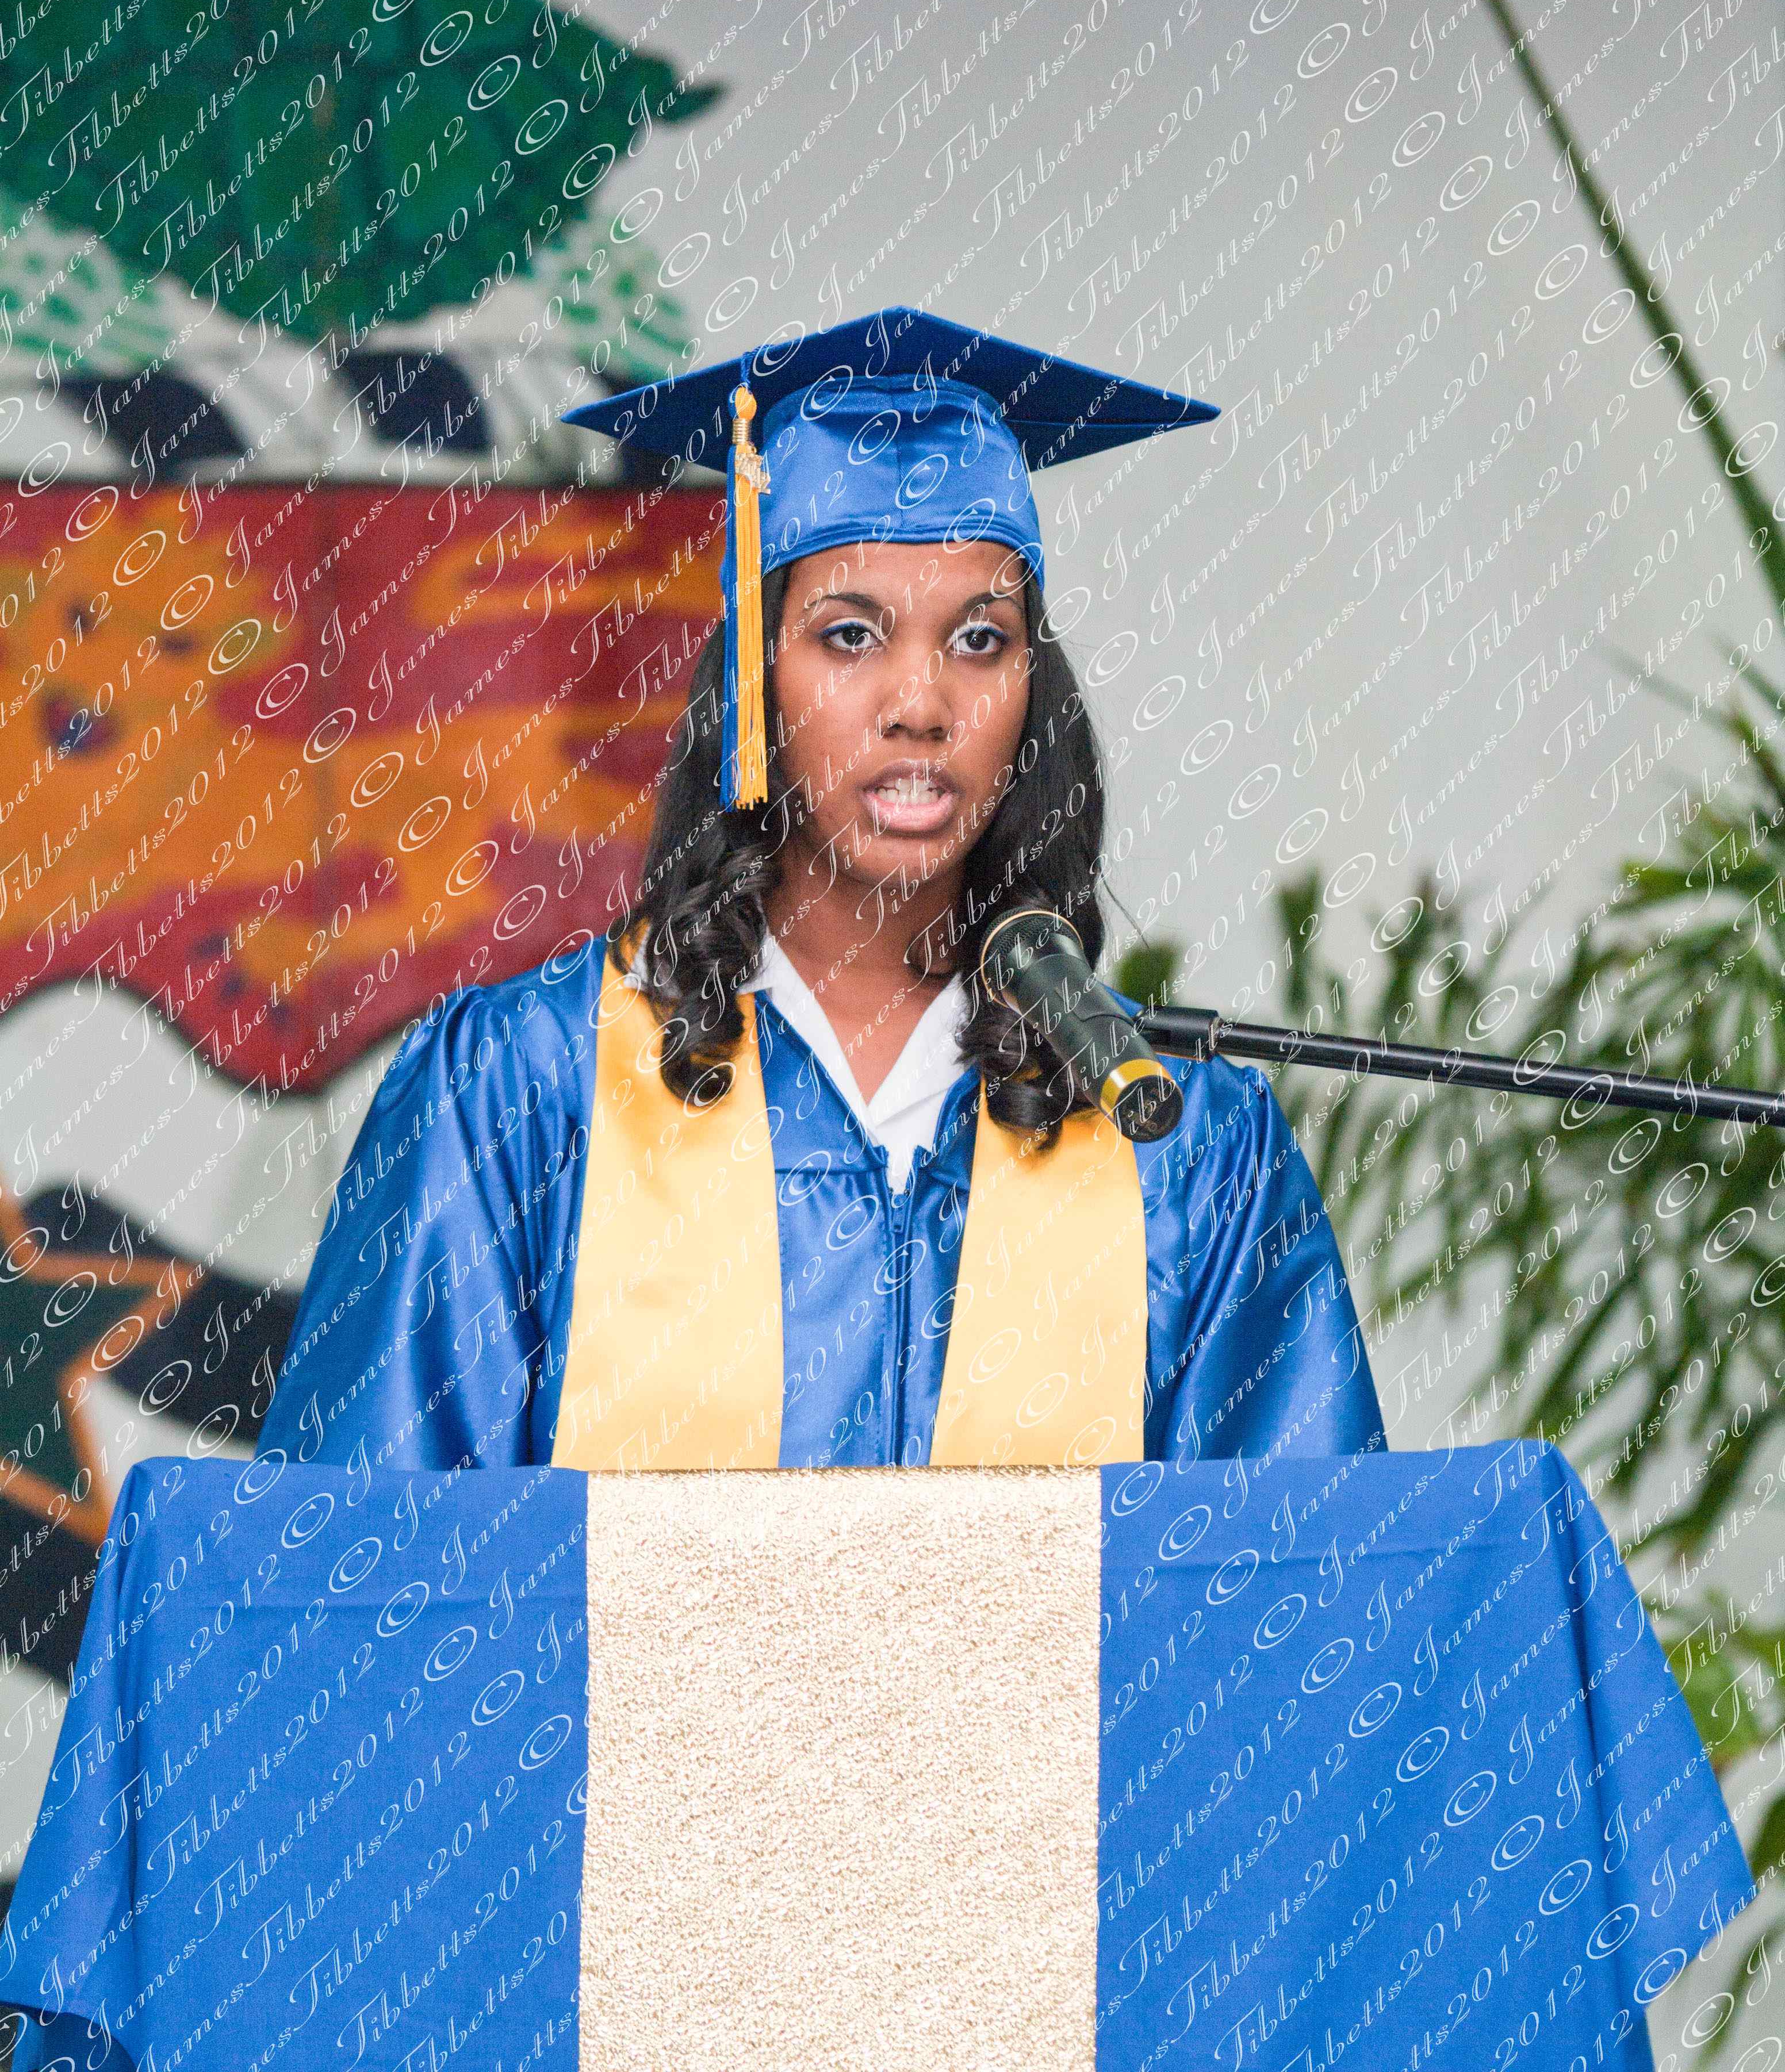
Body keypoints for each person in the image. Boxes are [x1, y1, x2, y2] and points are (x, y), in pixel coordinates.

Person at [259, 306, 1385, 1474]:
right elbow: (372, 1551)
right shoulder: (529, 1094)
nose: (921, 703)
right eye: (849, 635)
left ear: (1031, 689)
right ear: (753, 680)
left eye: (981, 640)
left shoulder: (1179, 1146)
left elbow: (1293, 1566)